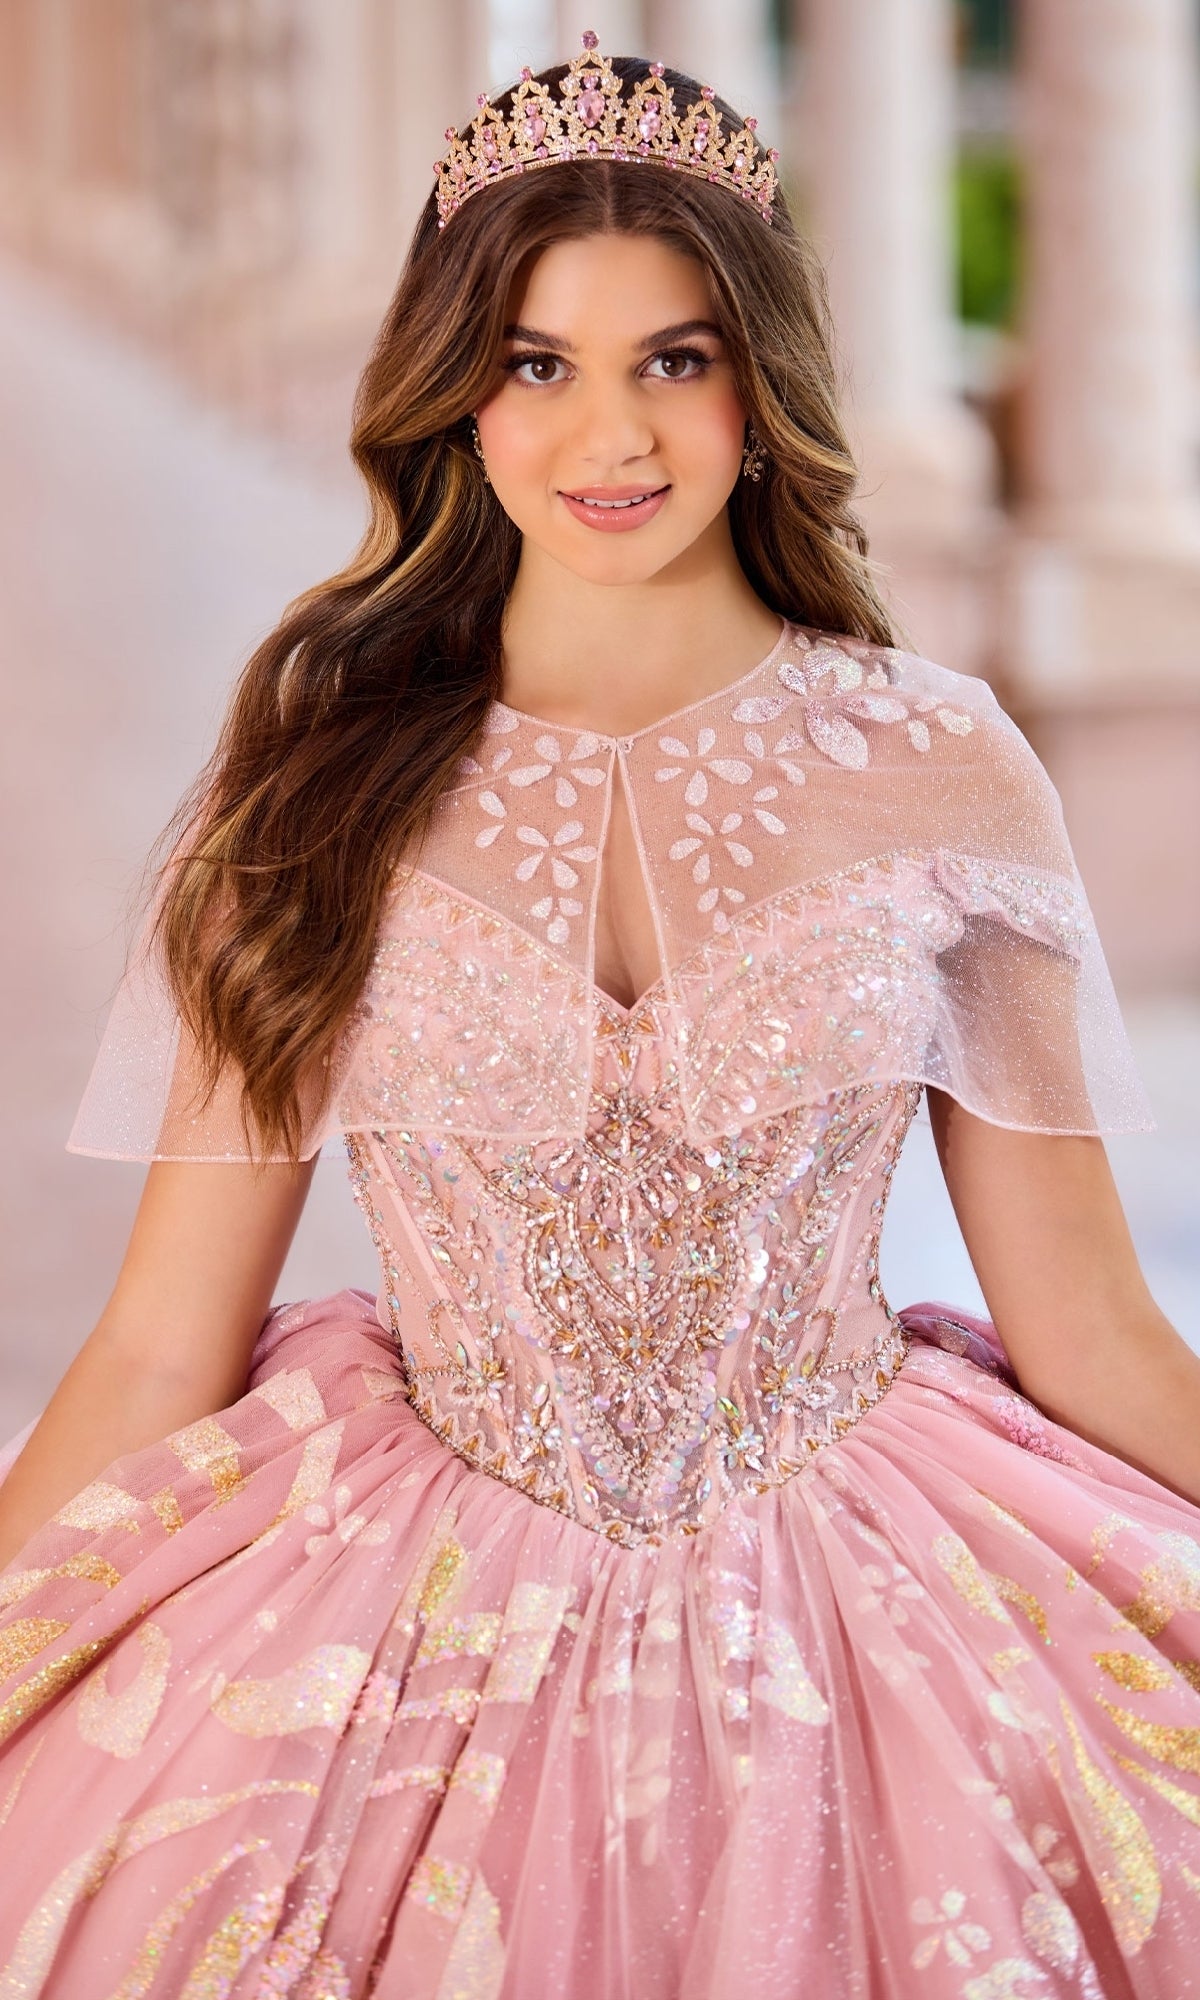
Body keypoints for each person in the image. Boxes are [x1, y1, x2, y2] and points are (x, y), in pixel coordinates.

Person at [0, 29, 1198, 1997]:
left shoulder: (940, 765)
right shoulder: (312, 785)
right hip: (396, 1622)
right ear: (453, 396)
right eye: (536, 364)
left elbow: (1087, 1324)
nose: (607, 434)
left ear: (762, 379)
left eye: (675, 358)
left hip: (868, 1622)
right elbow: (154, 1345)